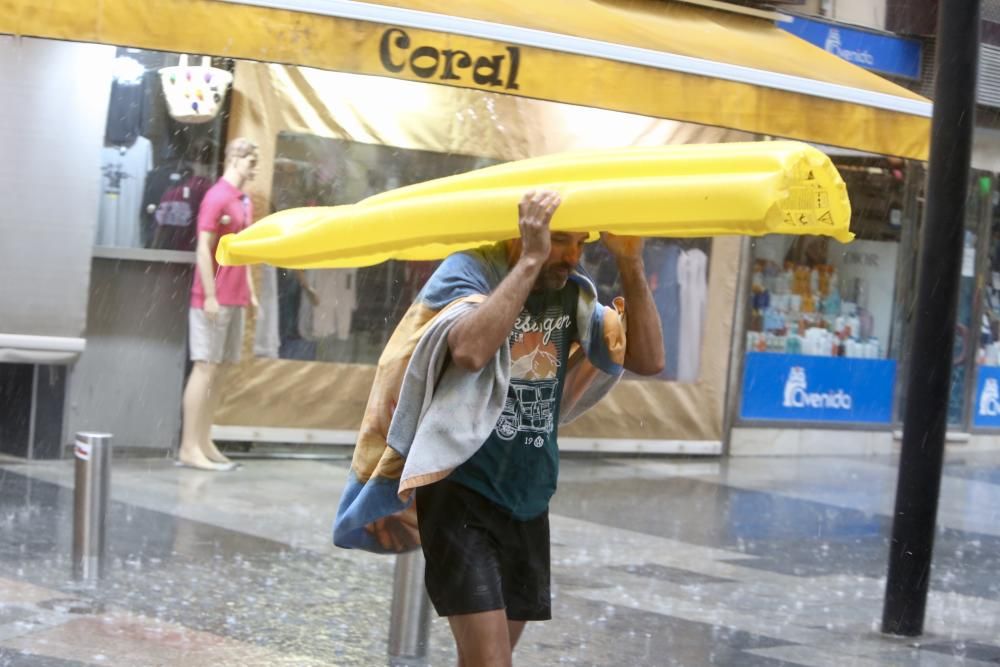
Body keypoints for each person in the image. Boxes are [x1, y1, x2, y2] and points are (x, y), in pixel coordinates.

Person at [334, 190, 664, 666]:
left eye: (580, 244)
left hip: (528, 496)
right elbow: (469, 351)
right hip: (459, 493)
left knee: (488, 658)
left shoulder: (573, 292)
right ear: (523, 234)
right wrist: (531, 259)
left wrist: (631, 263)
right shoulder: (470, 271)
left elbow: (649, 359)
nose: (571, 257)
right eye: (560, 241)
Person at [176, 137, 259, 471]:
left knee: (220, 370)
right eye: (252, 162)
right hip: (214, 297)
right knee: (205, 366)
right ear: (236, 158)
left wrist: (250, 289)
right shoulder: (217, 197)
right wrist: (209, 294)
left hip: (234, 294)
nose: (254, 169)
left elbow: (243, 249)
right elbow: (203, 249)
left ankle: (203, 439)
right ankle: (188, 446)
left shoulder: (242, 200)